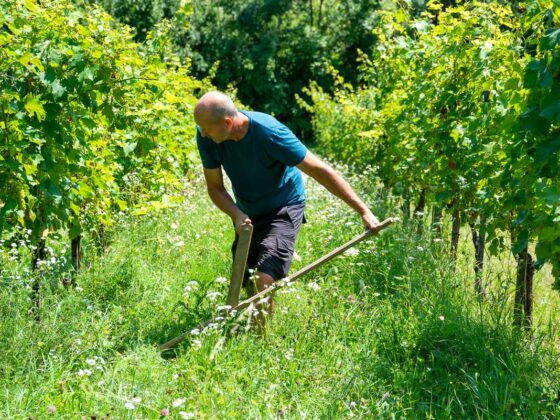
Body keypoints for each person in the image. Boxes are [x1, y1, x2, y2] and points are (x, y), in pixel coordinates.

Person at [194, 91, 380, 329]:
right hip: (248, 211)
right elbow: (215, 188)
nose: (203, 133)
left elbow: (320, 170)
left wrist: (363, 210)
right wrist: (237, 214)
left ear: (227, 123)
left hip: (284, 205)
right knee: (247, 281)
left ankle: (259, 344)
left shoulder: (270, 133)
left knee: (264, 277)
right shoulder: (207, 136)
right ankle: (246, 328)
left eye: (206, 128)